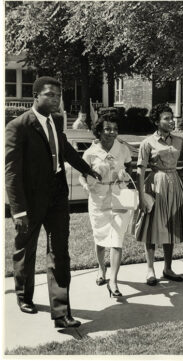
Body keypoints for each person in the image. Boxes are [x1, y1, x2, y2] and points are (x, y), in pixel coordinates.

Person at [5, 77, 101, 328]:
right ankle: (23, 295)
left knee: (60, 251)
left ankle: (61, 313)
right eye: (50, 94)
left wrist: (87, 169)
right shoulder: (18, 126)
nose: (56, 99)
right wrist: (19, 211)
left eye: (58, 95)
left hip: (57, 196)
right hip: (31, 200)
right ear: (36, 96)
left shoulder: (57, 121)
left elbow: (65, 149)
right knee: (25, 250)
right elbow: (12, 173)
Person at [134, 104, 183, 285]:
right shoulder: (147, 142)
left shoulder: (179, 141)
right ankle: (150, 269)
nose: (171, 121)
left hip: (175, 185)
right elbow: (140, 172)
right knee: (151, 226)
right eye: (166, 118)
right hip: (155, 185)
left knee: (171, 226)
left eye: (172, 117)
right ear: (157, 122)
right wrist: (141, 196)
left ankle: (168, 268)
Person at [79, 114, 133, 297]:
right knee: (100, 237)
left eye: (115, 129)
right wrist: (87, 186)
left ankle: (113, 281)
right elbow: (81, 174)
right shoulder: (90, 152)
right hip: (98, 198)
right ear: (99, 131)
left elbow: (129, 167)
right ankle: (101, 269)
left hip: (119, 195)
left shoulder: (122, 148)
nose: (112, 133)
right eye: (108, 129)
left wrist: (124, 175)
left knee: (117, 239)